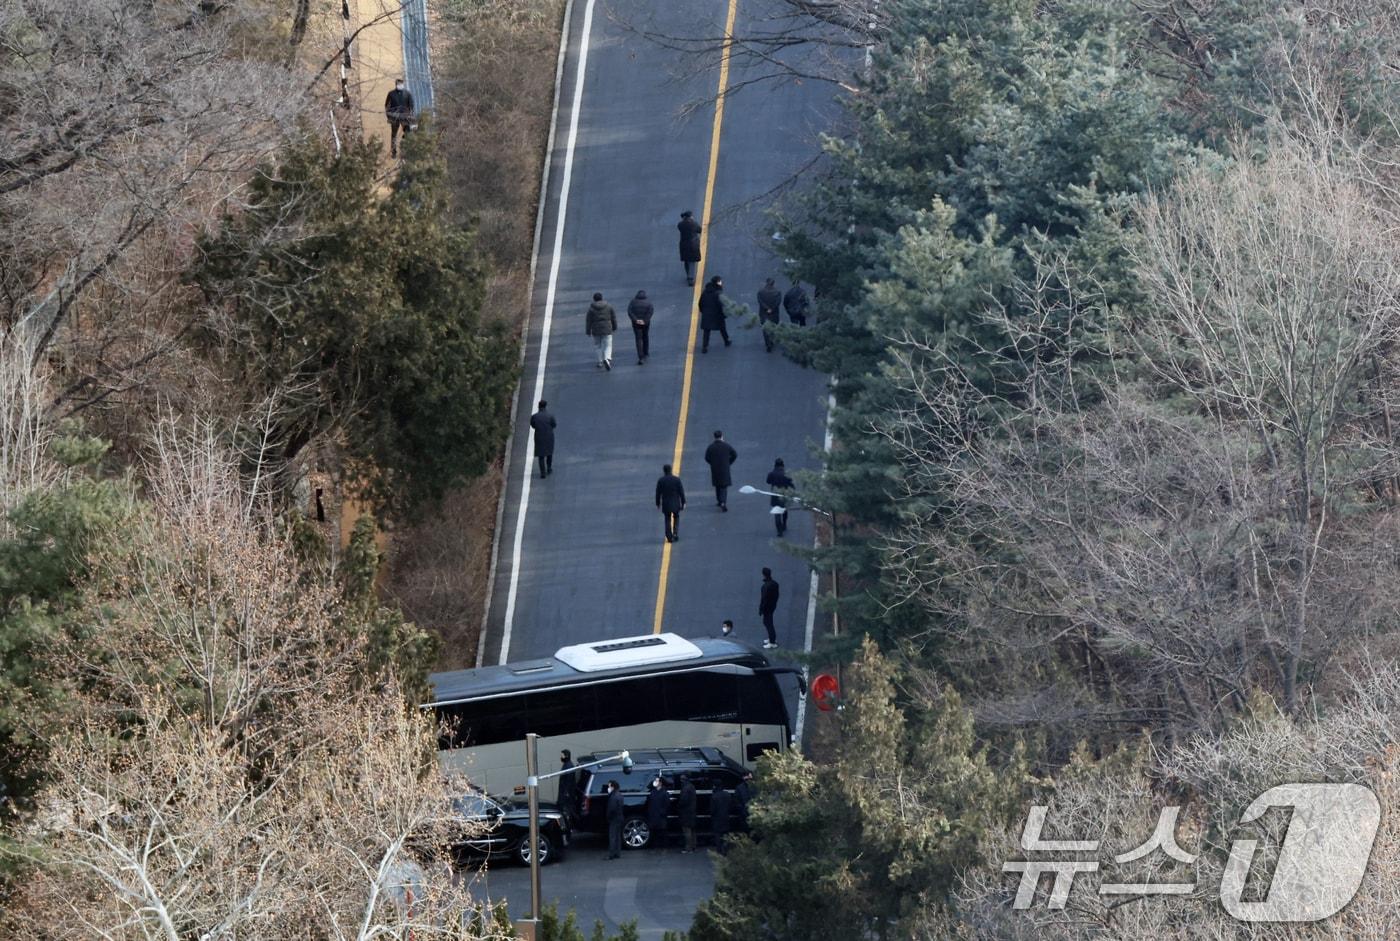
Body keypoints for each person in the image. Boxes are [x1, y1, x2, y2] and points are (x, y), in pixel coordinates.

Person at [704, 430, 737, 511]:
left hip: (715, 468)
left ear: (714, 437)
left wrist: (712, 463)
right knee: (724, 486)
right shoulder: (726, 446)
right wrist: (729, 462)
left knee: (717, 485)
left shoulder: (711, 447)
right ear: (722, 436)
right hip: (725, 468)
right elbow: (735, 454)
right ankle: (723, 502)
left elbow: (706, 458)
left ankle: (719, 501)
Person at [698, 276, 731, 353]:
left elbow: (700, 303)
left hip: (707, 314)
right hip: (717, 314)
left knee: (706, 331)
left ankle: (704, 346)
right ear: (717, 282)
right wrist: (724, 314)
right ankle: (726, 341)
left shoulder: (705, 292)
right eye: (720, 281)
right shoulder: (718, 293)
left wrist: (703, 311)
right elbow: (721, 305)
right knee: (722, 328)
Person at [655, 464, 686, 543]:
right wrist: (683, 502)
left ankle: (669, 536)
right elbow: (681, 492)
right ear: (671, 470)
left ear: (664, 471)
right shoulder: (676, 480)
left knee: (667, 519)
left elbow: (658, 493)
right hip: (675, 503)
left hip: (666, 504)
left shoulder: (661, 480)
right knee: (676, 516)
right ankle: (675, 533)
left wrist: (658, 503)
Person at [585, 292, 617, 370]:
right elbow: (613, 317)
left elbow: (588, 321)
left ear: (594, 299)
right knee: (608, 345)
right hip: (607, 328)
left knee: (597, 345)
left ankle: (600, 361)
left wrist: (588, 331)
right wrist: (614, 327)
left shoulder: (591, 309)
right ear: (602, 298)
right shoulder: (609, 306)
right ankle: (607, 358)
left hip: (596, 329)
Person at [384, 79, 415, 158]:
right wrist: (389, 115)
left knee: (408, 134)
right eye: (399, 84)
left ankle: (406, 151)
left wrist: (410, 116)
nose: (400, 85)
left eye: (401, 84)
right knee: (394, 135)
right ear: (396, 85)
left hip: (405, 117)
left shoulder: (408, 94)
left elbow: (411, 106)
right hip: (394, 117)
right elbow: (387, 105)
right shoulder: (391, 94)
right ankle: (393, 152)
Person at [766, 458, 794, 536]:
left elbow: (768, 481)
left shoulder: (771, 474)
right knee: (784, 511)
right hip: (784, 495)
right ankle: (784, 524)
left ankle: (779, 530)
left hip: (775, 496)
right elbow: (791, 483)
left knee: (777, 513)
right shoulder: (786, 474)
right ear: (783, 465)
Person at [529, 401, 556, 479]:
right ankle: (549, 468)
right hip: (549, 436)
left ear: (538, 406)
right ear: (545, 406)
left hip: (539, 437)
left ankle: (542, 473)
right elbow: (554, 425)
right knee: (549, 453)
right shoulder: (550, 416)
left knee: (541, 456)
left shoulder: (534, 417)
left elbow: (533, 425)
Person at [628, 289, 654, 364]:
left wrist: (636, 320)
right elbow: (650, 312)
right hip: (646, 323)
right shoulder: (648, 302)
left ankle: (640, 356)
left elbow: (630, 311)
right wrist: (645, 321)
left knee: (638, 339)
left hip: (636, 324)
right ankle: (646, 352)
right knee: (645, 336)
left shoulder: (633, 302)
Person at [757, 278, 783, 352]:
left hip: (764, 313)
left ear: (766, 282)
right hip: (774, 313)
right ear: (773, 283)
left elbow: (760, 302)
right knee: (773, 327)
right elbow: (778, 302)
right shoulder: (777, 292)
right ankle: (771, 341)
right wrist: (772, 308)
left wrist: (766, 308)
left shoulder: (761, 292)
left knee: (765, 328)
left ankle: (768, 343)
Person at [678, 211, 702, 285]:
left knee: (686, 260)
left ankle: (688, 274)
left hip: (683, 244)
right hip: (693, 244)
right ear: (690, 216)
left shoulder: (680, 224)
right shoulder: (693, 224)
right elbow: (699, 230)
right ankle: (690, 278)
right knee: (692, 261)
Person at [646, 776, 670, 849]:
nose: (655, 782)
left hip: (660, 815)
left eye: (657, 781)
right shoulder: (653, 792)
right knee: (654, 831)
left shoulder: (664, 792)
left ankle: (663, 845)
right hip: (653, 814)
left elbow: (667, 805)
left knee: (662, 831)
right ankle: (655, 845)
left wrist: (663, 812)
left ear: (660, 783)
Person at [759, 567, 780, 649]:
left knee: (768, 623)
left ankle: (772, 642)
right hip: (772, 606)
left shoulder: (765, 586)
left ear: (764, 575)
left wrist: (761, 609)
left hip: (767, 608)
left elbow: (763, 599)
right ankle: (771, 638)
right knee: (768, 622)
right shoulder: (775, 584)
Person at [678, 774, 698, 853]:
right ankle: (694, 846)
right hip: (692, 811)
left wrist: (679, 805)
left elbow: (683, 800)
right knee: (692, 830)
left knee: (687, 831)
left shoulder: (685, 788)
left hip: (686, 812)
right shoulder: (692, 786)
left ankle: (688, 848)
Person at [710, 786, 732, 853]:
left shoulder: (714, 796)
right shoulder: (727, 794)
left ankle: (719, 851)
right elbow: (731, 806)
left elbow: (712, 809)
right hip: (726, 817)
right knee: (726, 835)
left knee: (718, 835)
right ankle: (726, 850)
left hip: (717, 818)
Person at [606, 780, 624, 859]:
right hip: (619, 817)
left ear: (613, 787)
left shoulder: (613, 796)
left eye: (609, 786)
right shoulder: (619, 795)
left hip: (614, 819)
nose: (608, 788)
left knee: (612, 837)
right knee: (617, 837)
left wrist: (608, 817)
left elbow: (611, 809)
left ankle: (611, 855)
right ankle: (617, 853)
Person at [557, 749, 577, 818]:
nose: (561, 757)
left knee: (569, 810)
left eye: (562, 755)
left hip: (566, 794)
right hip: (565, 793)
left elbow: (569, 781)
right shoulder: (566, 765)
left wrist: (566, 792)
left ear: (566, 756)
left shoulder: (569, 766)